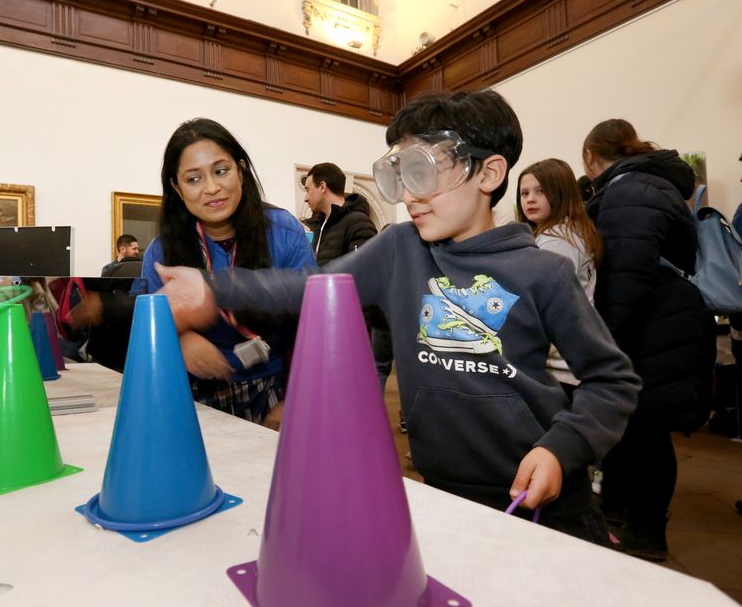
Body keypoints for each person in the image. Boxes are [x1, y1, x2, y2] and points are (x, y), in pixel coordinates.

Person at [157, 90, 641, 545]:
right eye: (401, 177)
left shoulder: (545, 271)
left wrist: (563, 448)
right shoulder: (399, 249)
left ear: (489, 174)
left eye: (423, 174)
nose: (408, 196)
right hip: (439, 491)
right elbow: (307, 288)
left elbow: (612, 380)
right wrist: (213, 287)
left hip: (544, 503)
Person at [583, 118, 716, 561]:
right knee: (634, 428)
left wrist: (605, 343)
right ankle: (621, 511)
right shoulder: (650, 185)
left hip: (651, 325)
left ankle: (646, 532)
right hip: (662, 320)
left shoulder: (628, 190)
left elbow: (625, 274)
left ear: (589, 158)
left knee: (647, 434)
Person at [141, 118, 316, 424]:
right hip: (191, 397)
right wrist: (178, 339)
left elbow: (313, 320)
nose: (212, 188)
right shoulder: (161, 251)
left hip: (275, 390)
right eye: (193, 179)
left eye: (221, 171)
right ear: (176, 187)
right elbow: (146, 328)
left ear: (241, 170)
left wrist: (295, 397)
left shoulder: (283, 229)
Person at [516, 158, 603, 397]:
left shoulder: (556, 240)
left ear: (561, 193)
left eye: (540, 191)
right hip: (568, 357)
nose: (530, 199)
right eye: (524, 193)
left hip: (558, 364)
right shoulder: (568, 230)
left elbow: (541, 301)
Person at [302, 163, 377, 266]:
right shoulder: (321, 225)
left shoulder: (359, 223)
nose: (305, 198)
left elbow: (364, 271)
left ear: (322, 187)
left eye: (308, 190)